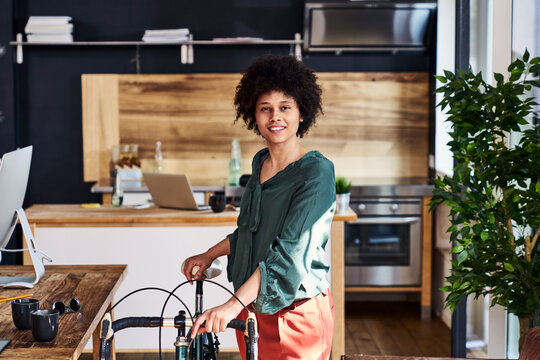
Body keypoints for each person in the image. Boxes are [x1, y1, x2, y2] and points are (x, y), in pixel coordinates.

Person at [182, 54, 336, 360]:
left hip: (296, 315)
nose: (275, 117)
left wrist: (231, 305)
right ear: (254, 114)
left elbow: (289, 256)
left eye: (285, 108)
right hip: (253, 310)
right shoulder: (259, 163)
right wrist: (209, 254)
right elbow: (249, 232)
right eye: (265, 109)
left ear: (302, 113)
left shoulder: (316, 172)